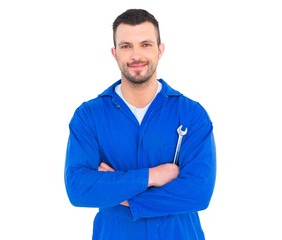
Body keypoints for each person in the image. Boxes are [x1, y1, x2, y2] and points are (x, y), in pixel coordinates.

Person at [64, 8, 216, 240]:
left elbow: (198, 193)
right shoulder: (89, 116)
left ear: (160, 50)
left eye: (145, 44)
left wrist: (121, 195)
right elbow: (79, 188)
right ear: (115, 53)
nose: (136, 55)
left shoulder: (191, 114)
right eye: (126, 46)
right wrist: (153, 176)